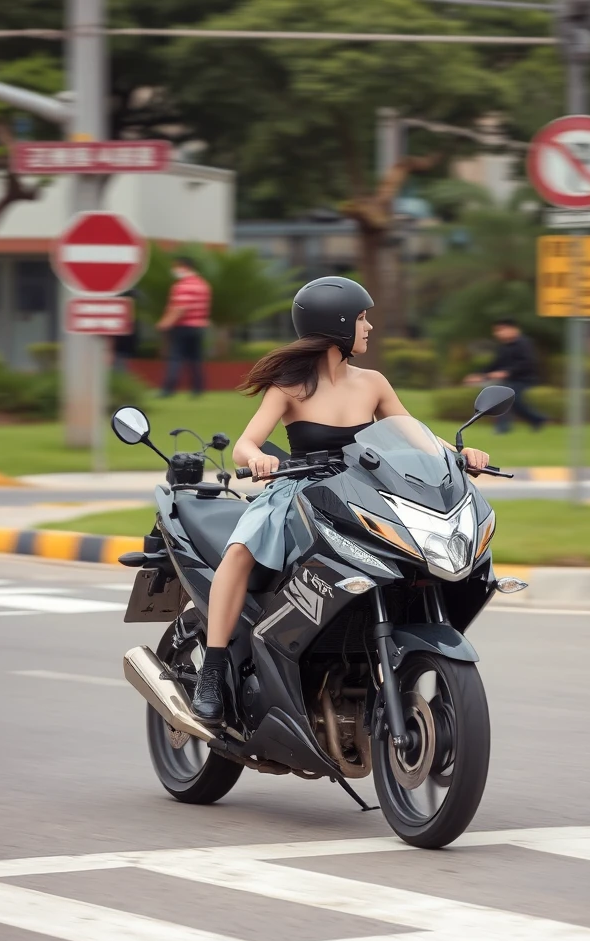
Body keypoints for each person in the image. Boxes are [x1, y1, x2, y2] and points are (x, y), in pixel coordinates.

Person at [190, 276, 491, 722]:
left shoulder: (373, 383)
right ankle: (212, 669)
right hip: (302, 489)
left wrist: (459, 453)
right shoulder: (291, 386)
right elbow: (245, 445)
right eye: (363, 319)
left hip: (359, 491)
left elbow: (416, 435)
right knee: (238, 553)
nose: (369, 328)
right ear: (339, 326)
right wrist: (258, 460)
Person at [463, 317, 546, 433]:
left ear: (513, 329)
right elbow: (495, 365)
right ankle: (535, 420)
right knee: (499, 395)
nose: (498, 333)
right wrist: (480, 375)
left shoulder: (524, 344)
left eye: (501, 330)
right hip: (508, 381)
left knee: (508, 397)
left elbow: (527, 363)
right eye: (497, 331)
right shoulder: (503, 347)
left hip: (523, 380)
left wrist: (507, 372)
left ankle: (530, 420)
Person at [158, 256, 212, 397]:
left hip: (182, 327)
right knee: (195, 359)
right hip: (199, 327)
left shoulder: (182, 286)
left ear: (184, 267)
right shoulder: (203, 285)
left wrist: (165, 323)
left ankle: (168, 389)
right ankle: (198, 389)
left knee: (175, 358)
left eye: (176, 266)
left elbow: (180, 308)